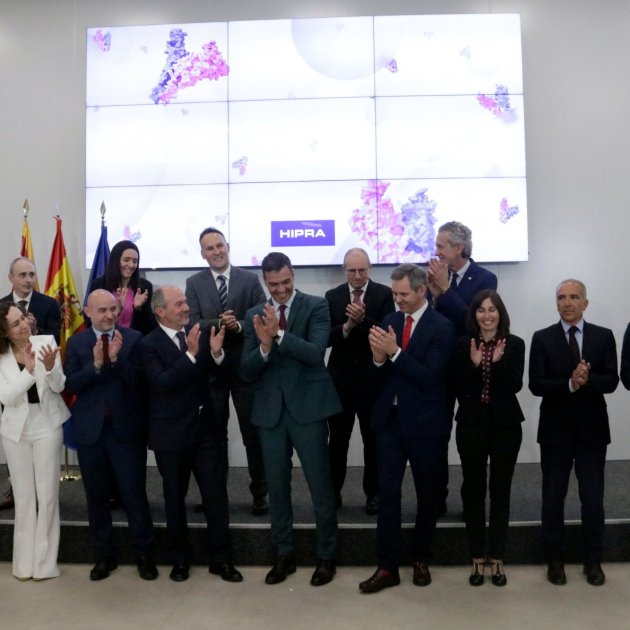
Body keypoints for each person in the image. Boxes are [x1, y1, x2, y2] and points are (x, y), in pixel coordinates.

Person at [241, 252, 341, 587]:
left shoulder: (316, 306)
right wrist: (264, 347)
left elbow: (315, 353)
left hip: (309, 410)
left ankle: (327, 555)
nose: (281, 289)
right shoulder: (254, 314)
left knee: (320, 486)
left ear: (293, 275)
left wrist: (279, 336)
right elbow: (246, 370)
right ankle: (284, 554)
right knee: (277, 487)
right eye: (274, 285)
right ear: (264, 282)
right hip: (270, 414)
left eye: (285, 282)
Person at [359, 264, 455, 594]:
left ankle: (420, 559)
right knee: (387, 496)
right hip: (390, 423)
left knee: (428, 496)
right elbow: (376, 377)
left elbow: (429, 377)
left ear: (421, 290)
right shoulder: (390, 321)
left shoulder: (442, 327)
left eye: (403, 294)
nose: (397, 299)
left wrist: (394, 353)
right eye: (394, 293)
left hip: (426, 425)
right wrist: (377, 359)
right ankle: (387, 566)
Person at [139, 285, 241, 584]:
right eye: (179, 304)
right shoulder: (148, 345)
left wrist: (217, 354)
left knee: (216, 496)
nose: (186, 308)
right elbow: (161, 384)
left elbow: (218, 374)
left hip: (204, 430)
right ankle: (179, 559)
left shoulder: (198, 334)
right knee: (174, 498)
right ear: (160, 311)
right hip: (170, 436)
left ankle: (221, 559)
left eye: (185, 302)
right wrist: (191, 355)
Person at [529, 279, 618, 587]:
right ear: (556, 303)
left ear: (585, 303)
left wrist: (586, 380)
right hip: (555, 432)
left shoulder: (603, 336)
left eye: (574, 297)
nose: (567, 303)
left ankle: (593, 561)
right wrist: (569, 383)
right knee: (553, 498)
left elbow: (612, 380)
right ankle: (555, 560)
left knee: (592, 500)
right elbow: (536, 384)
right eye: (562, 297)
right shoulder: (542, 338)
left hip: (592, 432)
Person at [64, 290, 157, 581]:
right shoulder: (77, 342)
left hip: (125, 431)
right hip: (91, 432)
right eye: (102, 310)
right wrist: (95, 366)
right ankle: (104, 556)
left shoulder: (134, 339)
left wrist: (115, 361)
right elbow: (71, 384)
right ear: (88, 312)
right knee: (96, 497)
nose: (109, 315)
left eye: (113, 309)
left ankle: (144, 554)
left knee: (134, 495)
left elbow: (141, 382)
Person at [186, 227, 268, 515]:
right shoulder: (194, 283)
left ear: (228, 246)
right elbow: (192, 323)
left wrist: (240, 325)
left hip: (245, 370)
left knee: (252, 435)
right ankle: (214, 495)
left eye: (219, 245)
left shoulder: (250, 279)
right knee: (213, 438)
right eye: (209, 248)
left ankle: (260, 494)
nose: (216, 251)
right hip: (213, 370)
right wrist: (221, 323)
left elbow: (262, 314)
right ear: (202, 254)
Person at [451, 290, 524, 587]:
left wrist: (495, 362)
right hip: (471, 425)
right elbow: (457, 386)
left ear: (500, 313)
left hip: (506, 426)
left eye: (492, 309)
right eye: (481, 310)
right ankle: (476, 558)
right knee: (474, 490)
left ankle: (497, 557)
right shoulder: (463, 344)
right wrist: (474, 364)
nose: (487, 315)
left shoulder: (515, 344)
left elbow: (514, 386)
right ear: (474, 315)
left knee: (500, 491)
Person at [0, 302, 69, 580]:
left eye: (23, 318)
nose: (24, 325)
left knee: (48, 494)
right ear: (4, 332)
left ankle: (44, 565)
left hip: (47, 424)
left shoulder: (46, 343)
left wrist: (50, 368)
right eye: (15, 323)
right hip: (15, 430)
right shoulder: (1, 356)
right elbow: (7, 397)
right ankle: (23, 565)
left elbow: (59, 386)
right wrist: (28, 372)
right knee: (24, 497)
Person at [325, 248, 394, 514]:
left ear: (370, 269)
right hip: (340, 381)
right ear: (344, 270)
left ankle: (373, 494)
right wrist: (347, 326)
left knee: (373, 440)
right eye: (352, 270)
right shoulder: (332, 296)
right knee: (337, 441)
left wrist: (361, 319)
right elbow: (326, 338)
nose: (357, 275)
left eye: (362, 270)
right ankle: (333, 492)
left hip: (372, 380)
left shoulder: (384, 294)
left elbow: (386, 330)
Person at [0, 257, 62, 511]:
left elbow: (54, 340)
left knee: (46, 488)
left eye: (32, 274)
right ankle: (14, 488)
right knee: (19, 464)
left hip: (43, 393)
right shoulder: (1, 306)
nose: (28, 280)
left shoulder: (49, 304)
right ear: (11, 278)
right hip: (12, 393)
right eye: (22, 275)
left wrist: (33, 331)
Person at [427, 222, 497, 336]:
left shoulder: (486, 279)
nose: (436, 253)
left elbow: (474, 321)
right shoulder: (437, 275)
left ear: (458, 248)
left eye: (441, 247)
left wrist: (446, 289)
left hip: (466, 344)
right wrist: (436, 297)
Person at [89, 240, 157, 336]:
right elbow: (92, 321)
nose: (131, 265)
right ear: (116, 261)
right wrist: (117, 310)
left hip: (135, 341)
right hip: (106, 339)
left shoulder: (144, 287)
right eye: (126, 260)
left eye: (135, 261)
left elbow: (150, 328)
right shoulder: (99, 285)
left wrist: (138, 309)